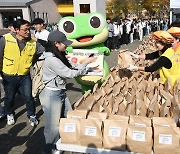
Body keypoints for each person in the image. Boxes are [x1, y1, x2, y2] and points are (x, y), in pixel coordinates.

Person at [39, 30, 97, 154]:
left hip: (60, 91)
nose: (66, 45)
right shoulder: (51, 59)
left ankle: (65, 141)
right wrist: (86, 64)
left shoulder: (58, 55)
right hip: (52, 94)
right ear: (56, 43)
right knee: (52, 126)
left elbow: (72, 67)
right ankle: (50, 149)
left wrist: (85, 63)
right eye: (64, 43)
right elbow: (69, 73)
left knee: (68, 116)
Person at [0, 19, 44, 126]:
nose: (28, 32)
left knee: (29, 97)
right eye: (25, 30)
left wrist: (38, 40)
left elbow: (44, 51)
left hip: (25, 75)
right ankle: (10, 113)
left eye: (29, 29)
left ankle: (32, 115)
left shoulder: (33, 42)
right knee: (9, 97)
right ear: (16, 30)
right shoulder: (5, 40)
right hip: (9, 75)